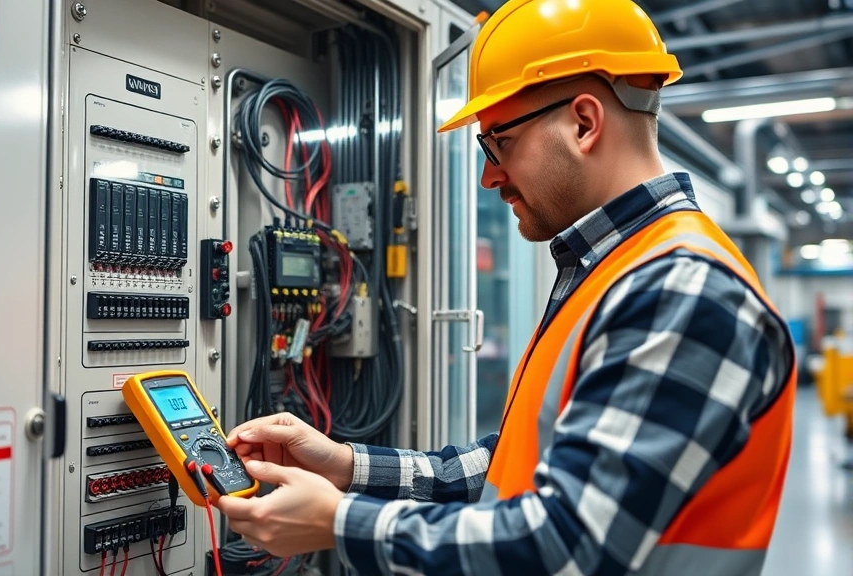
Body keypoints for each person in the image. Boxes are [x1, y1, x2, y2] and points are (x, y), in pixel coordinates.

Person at [214, 0, 797, 573]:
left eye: (499, 143)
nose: (490, 175)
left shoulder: (682, 290)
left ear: (584, 123)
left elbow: (567, 545)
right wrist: (346, 466)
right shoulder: (617, 269)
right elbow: (518, 463)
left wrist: (339, 521)